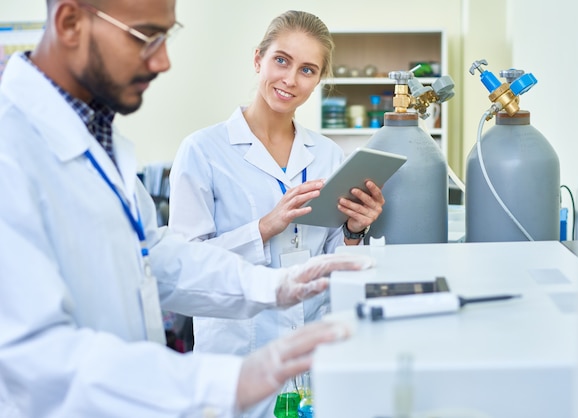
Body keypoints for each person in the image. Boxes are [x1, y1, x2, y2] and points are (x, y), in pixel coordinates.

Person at [0, 1, 374, 417]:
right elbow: (35, 357)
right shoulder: (11, 147)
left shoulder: (97, 141)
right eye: (146, 37)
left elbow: (157, 256)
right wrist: (222, 381)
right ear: (70, 23)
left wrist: (277, 286)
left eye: (167, 37)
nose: (162, 60)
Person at [168, 10, 385, 417]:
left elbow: (332, 256)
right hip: (237, 352)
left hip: (310, 351)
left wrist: (355, 230)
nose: (290, 79)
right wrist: (264, 227)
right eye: (281, 61)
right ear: (258, 60)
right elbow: (184, 266)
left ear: (318, 80)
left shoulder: (327, 154)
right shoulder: (203, 151)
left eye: (307, 69)